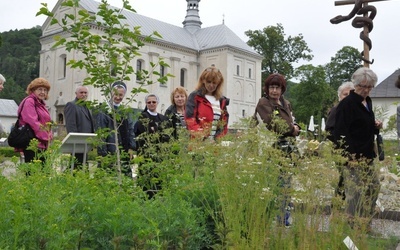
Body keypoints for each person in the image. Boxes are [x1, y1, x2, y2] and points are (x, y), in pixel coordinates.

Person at [333, 67, 382, 228]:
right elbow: (340, 133)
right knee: (354, 195)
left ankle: (364, 225)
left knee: (373, 188)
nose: (366, 90)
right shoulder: (346, 104)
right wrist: (350, 157)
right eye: (362, 86)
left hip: (368, 156)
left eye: (369, 87)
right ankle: (351, 231)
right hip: (353, 159)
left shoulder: (367, 102)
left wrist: (375, 126)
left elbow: (360, 126)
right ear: (355, 85)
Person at [253, 73, 300, 227]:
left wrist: (295, 127)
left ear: (282, 89)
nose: (274, 91)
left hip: (286, 149)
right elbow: (276, 125)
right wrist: (293, 129)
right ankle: (269, 219)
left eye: (277, 87)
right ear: (267, 88)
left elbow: (292, 121)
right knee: (272, 185)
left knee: (286, 185)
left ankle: (283, 220)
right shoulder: (263, 103)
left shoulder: (286, 103)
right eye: (272, 87)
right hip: (269, 148)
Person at [96, 81, 136, 175]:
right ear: (111, 93)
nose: (118, 97)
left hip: (124, 150)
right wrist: (103, 154)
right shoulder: (104, 110)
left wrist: (131, 147)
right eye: (116, 94)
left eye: (121, 95)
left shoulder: (125, 111)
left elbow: (130, 130)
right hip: (110, 150)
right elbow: (101, 132)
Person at [325, 81, 354, 201]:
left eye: (350, 94)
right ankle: (337, 207)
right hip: (340, 151)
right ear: (340, 96)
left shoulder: (355, 111)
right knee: (344, 179)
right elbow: (328, 131)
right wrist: (343, 142)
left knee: (351, 180)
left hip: (355, 152)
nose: (347, 97)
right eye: (345, 94)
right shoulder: (336, 109)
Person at [185, 65, 229, 141]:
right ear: (203, 80)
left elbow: (223, 124)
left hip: (215, 145)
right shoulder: (195, 97)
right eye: (208, 82)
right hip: (198, 143)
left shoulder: (222, 101)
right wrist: (202, 137)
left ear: (218, 83)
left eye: (214, 83)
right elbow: (190, 119)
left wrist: (218, 140)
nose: (211, 85)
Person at [15, 78, 53, 164]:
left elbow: (46, 123)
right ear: (32, 90)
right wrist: (46, 136)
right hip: (32, 143)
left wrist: (49, 135)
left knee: (43, 172)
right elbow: (33, 122)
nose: (43, 92)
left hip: (41, 143)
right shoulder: (30, 101)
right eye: (39, 89)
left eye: (45, 90)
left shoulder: (41, 104)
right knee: (33, 172)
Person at [64, 85, 94, 167]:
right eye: (81, 92)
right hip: (78, 142)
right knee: (77, 165)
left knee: (82, 165)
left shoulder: (87, 106)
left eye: (85, 93)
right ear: (76, 93)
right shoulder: (71, 105)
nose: (83, 94)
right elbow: (71, 125)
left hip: (86, 142)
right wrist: (76, 140)